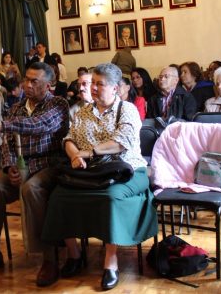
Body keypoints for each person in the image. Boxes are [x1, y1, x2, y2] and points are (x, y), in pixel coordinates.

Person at [43, 63, 156, 290]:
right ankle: (75, 255)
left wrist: (89, 151)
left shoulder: (127, 110)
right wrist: (75, 154)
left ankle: (110, 262)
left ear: (115, 88)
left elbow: (120, 142)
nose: (93, 88)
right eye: (92, 83)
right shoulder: (84, 111)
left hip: (127, 170)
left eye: (99, 84)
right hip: (91, 171)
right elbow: (69, 138)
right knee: (57, 197)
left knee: (111, 198)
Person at [0, 62, 70, 287]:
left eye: (35, 81)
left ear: (49, 85)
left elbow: (39, 125)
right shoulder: (16, 108)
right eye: (26, 80)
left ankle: (49, 259)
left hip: (49, 165)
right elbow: (7, 145)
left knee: (31, 188)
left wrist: (2, 126)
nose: (28, 85)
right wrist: (10, 167)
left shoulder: (58, 104)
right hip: (21, 167)